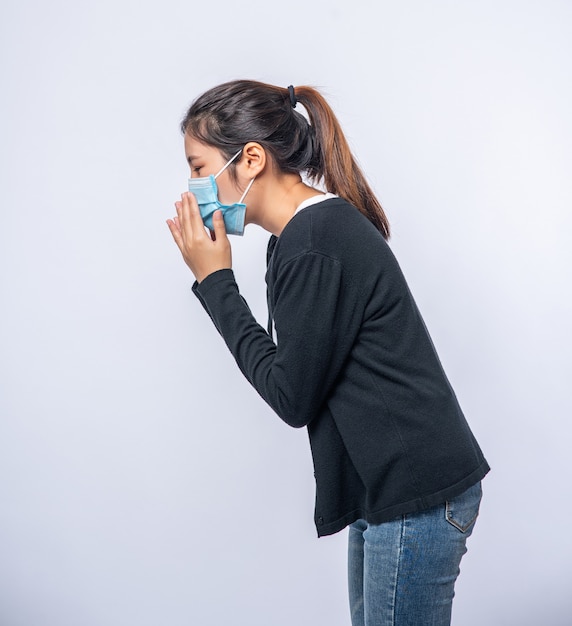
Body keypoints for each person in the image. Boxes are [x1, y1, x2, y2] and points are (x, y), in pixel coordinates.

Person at [167, 79, 490, 626]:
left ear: (249, 160)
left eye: (199, 168)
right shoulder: (302, 237)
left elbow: (293, 397)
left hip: (416, 498)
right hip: (387, 492)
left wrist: (216, 282)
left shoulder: (315, 243)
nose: (192, 186)